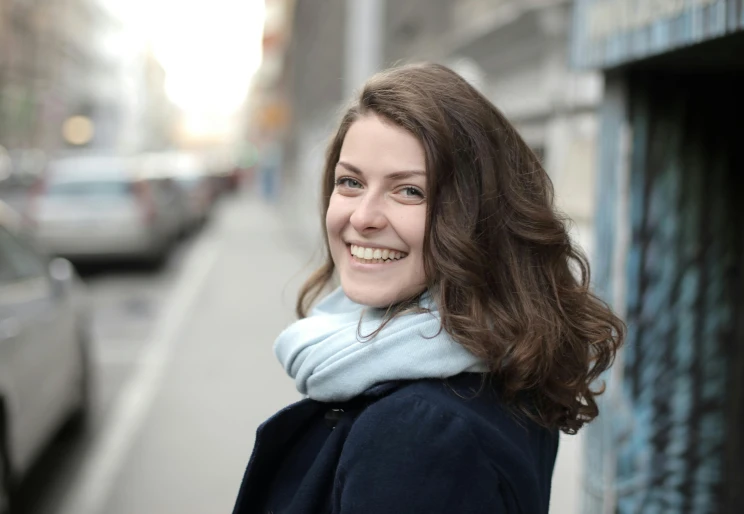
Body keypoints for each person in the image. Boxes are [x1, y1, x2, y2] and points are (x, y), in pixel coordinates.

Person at [232, 62, 625, 514]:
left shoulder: (417, 430)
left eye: (410, 192)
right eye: (351, 183)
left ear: (477, 217)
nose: (363, 217)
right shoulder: (502, 354)